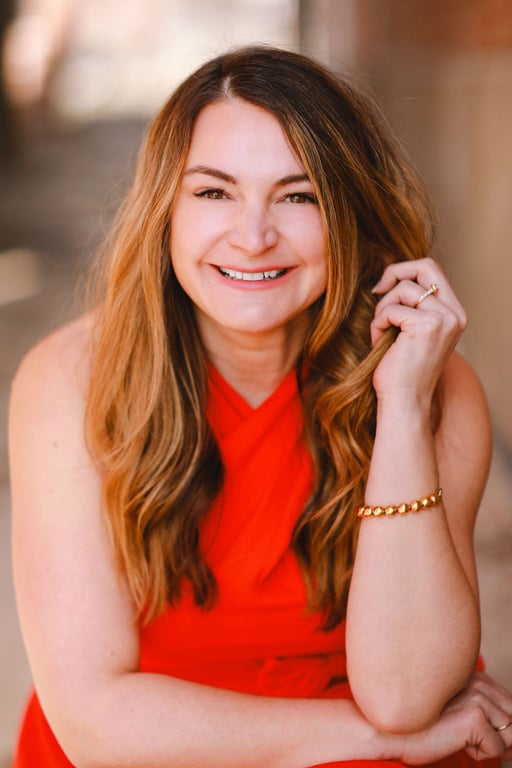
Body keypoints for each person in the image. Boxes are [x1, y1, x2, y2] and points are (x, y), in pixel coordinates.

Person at [9, 45, 512, 768]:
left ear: (347, 213)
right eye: (213, 193)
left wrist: (400, 409)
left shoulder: (432, 383)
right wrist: (376, 738)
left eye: (298, 195)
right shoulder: (70, 383)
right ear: (165, 211)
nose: (253, 236)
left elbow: (407, 695)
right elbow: (94, 724)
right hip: (154, 750)